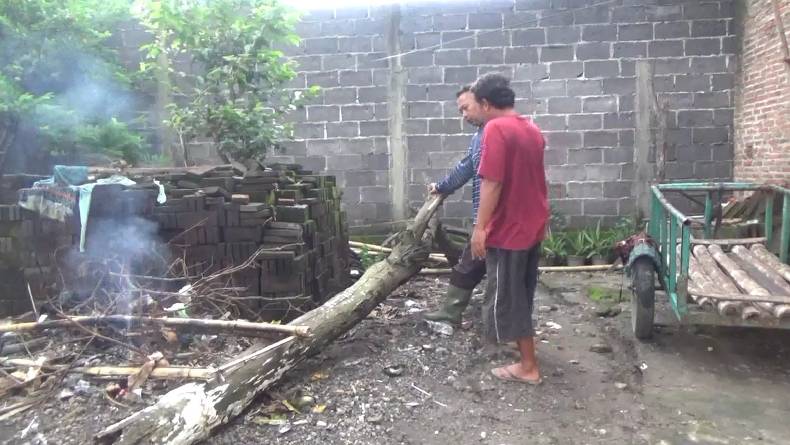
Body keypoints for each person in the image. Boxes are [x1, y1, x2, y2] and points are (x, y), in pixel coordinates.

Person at [470, 73, 549, 385]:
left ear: (487, 104)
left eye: (475, 105)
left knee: (509, 298)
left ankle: (528, 367)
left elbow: (492, 182)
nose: (474, 112)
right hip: (531, 225)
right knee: (521, 294)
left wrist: (480, 228)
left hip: (509, 229)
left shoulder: (496, 129)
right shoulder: (531, 129)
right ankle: (526, 357)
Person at [423, 86, 487, 326]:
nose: (464, 116)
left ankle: (497, 329)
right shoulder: (479, 136)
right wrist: (442, 186)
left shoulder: (496, 133)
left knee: (493, 272)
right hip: (483, 218)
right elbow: (466, 168)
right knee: (468, 264)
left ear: (484, 103)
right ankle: (452, 312)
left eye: (466, 108)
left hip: (497, 220)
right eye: (460, 110)